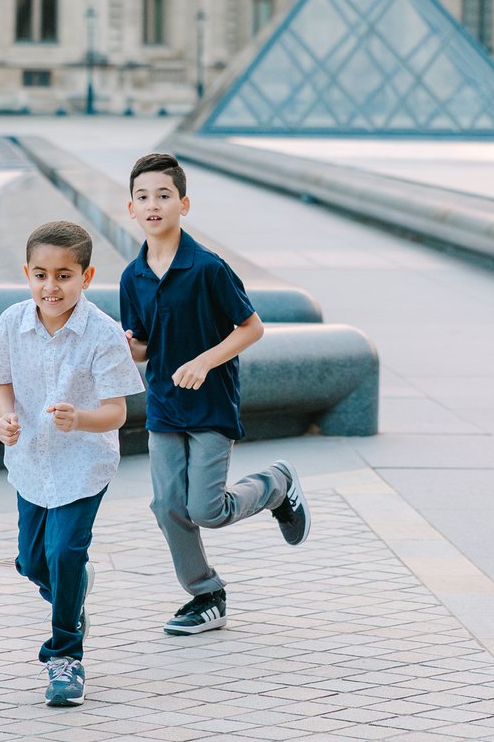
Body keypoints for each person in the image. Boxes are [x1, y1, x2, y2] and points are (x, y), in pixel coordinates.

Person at [119, 151, 311, 636]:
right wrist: (127, 347)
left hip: (210, 405)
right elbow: (144, 345)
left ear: (184, 204)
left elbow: (252, 328)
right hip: (164, 405)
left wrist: (205, 361)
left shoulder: (208, 267)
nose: (153, 204)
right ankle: (206, 595)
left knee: (206, 510)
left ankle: (276, 485)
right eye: (143, 196)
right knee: (168, 507)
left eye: (164, 195)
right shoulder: (131, 276)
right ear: (131, 208)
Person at [0, 220, 145, 709]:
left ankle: (65, 657)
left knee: (65, 553)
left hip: (83, 464)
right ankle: (71, 597)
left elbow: (117, 412)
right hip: (30, 460)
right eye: (41, 275)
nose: (51, 287)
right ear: (27, 274)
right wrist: (6, 417)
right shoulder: (12, 322)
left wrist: (81, 419)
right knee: (32, 562)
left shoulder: (104, 333)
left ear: (86, 277)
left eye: (64, 276)